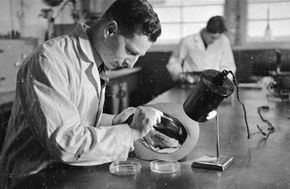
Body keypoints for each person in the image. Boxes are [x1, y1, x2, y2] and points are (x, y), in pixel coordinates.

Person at [0, 0, 162, 188]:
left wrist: (116, 120)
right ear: (110, 30)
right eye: (130, 51)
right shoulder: (50, 60)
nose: (131, 63)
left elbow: (76, 118)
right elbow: (66, 143)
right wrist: (131, 132)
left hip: (64, 172)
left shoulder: (95, 59)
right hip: (31, 178)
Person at [166, 16, 236, 84]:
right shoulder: (188, 41)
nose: (214, 41)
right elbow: (173, 62)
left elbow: (229, 65)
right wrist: (180, 75)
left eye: (217, 38)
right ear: (206, 30)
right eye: (212, 37)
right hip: (190, 84)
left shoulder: (224, 41)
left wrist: (222, 82)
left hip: (214, 86)